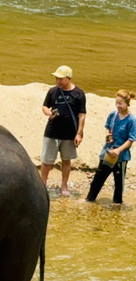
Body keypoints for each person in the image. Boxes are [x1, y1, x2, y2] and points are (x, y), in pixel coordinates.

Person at [40, 65, 87, 196]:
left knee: (66, 160)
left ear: (69, 79)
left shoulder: (78, 94)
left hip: (69, 133)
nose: (58, 81)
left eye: (61, 79)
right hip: (52, 131)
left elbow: (82, 114)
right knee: (46, 160)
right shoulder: (52, 91)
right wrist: (48, 112)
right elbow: (45, 106)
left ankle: (64, 186)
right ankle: (43, 185)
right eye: (56, 78)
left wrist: (79, 133)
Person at [84, 90, 136, 204]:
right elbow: (107, 127)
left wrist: (118, 150)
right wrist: (108, 135)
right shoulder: (113, 115)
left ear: (127, 104)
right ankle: (89, 199)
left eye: (121, 103)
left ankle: (117, 203)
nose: (118, 106)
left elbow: (131, 139)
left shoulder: (131, 120)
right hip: (107, 152)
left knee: (119, 182)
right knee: (98, 177)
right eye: (117, 103)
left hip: (121, 156)